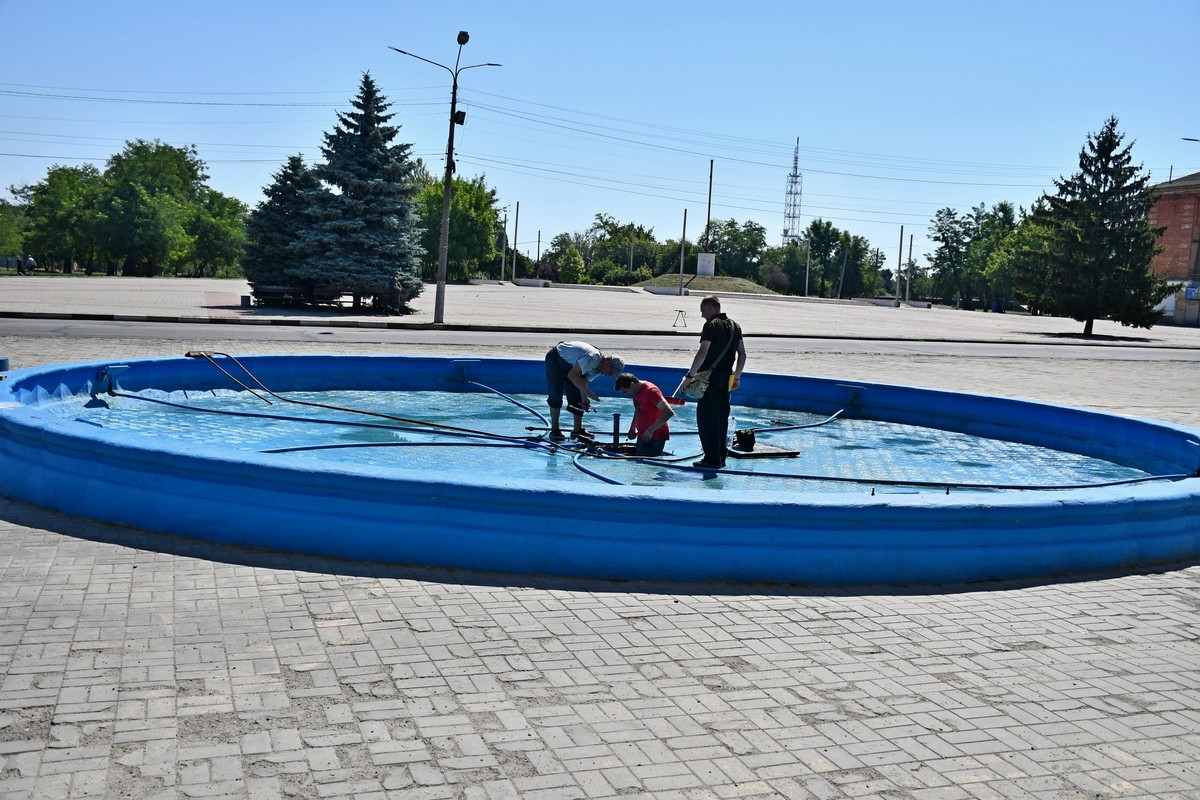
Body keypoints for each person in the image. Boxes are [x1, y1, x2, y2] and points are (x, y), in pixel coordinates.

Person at [681, 295, 747, 469]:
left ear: (710, 309)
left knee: (706, 418)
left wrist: (689, 376)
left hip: (708, 380)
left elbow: (703, 352)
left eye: (703, 311)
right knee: (721, 418)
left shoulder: (710, 325)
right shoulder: (735, 326)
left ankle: (711, 459)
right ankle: (721, 457)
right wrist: (737, 377)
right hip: (726, 380)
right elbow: (742, 354)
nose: (702, 315)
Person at [544, 341, 624, 441]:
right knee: (555, 396)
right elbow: (572, 375)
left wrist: (585, 398)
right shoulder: (593, 358)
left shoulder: (599, 370)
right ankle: (555, 430)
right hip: (556, 359)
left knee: (577, 397)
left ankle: (577, 430)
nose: (609, 375)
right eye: (611, 372)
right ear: (607, 363)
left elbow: (583, 380)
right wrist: (589, 393)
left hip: (572, 367)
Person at [614, 372, 673, 457]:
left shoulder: (651, 391)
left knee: (647, 466)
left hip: (655, 436)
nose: (627, 394)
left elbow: (668, 412)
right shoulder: (636, 392)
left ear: (632, 385)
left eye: (626, 391)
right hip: (643, 434)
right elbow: (638, 409)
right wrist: (633, 427)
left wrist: (650, 430)